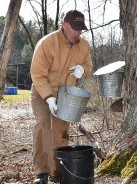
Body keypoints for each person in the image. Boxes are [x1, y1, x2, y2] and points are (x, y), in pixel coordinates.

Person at [30, 10, 93, 184]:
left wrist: (83, 70)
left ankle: (57, 171)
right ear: (64, 24)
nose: (77, 33)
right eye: (74, 28)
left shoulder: (84, 46)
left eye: (80, 29)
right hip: (42, 91)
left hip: (66, 94)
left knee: (61, 131)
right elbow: (37, 73)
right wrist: (49, 98)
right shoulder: (47, 43)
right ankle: (41, 172)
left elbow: (89, 66)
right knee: (43, 125)